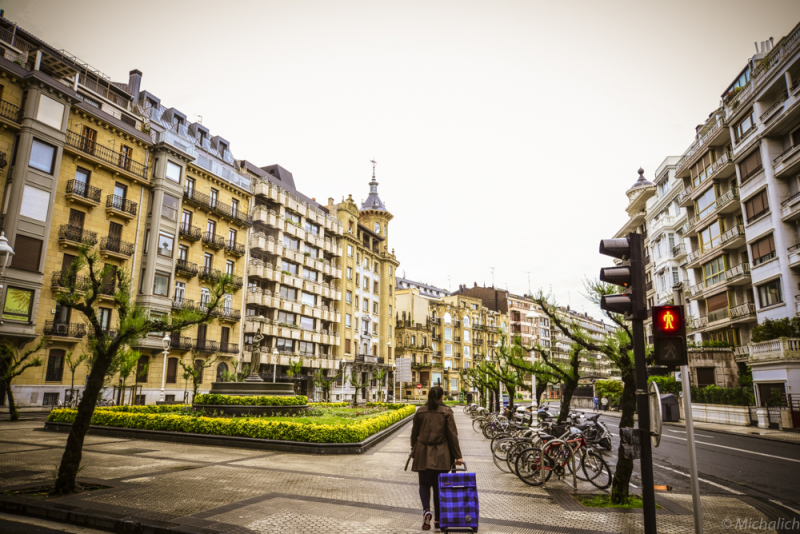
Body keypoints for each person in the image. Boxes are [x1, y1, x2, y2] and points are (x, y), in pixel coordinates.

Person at [411, 385, 463, 532]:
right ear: (441, 397)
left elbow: (414, 434)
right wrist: (457, 456)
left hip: (423, 453)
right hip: (442, 455)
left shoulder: (420, 411)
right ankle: (438, 522)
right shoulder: (446, 411)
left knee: (424, 484)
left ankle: (426, 510)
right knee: (440, 488)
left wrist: (414, 450)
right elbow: (452, 436)